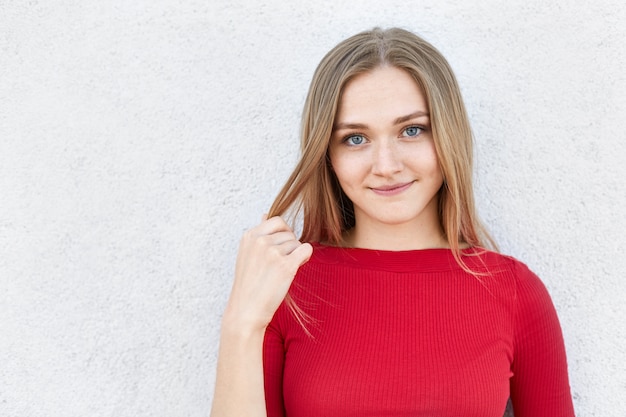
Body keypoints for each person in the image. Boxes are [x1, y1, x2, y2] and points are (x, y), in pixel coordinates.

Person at [210, 27, 575, 417]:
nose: (386, 166)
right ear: (326, 154)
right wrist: (241, 323)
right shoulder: (286, 287)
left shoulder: (515, 293)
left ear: (448, 136)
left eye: (412, 130)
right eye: (355, 138)